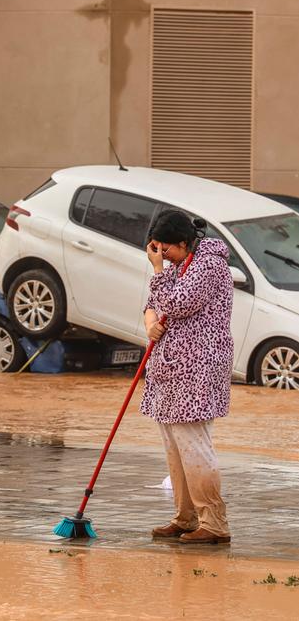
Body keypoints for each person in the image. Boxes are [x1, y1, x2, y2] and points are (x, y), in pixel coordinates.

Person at [141, 209, 233, 545]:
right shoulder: (183, 265)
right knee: (174, 445)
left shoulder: (209, 265)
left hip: (199, 368)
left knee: (193, 444)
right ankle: (185, 516)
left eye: (166, 249)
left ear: (183, 242)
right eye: (157, 251)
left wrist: (157, 270)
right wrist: (150, 322)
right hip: (170, 368)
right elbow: (154, 302)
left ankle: (214, 522)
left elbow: (177, 303)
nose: (162, 256)